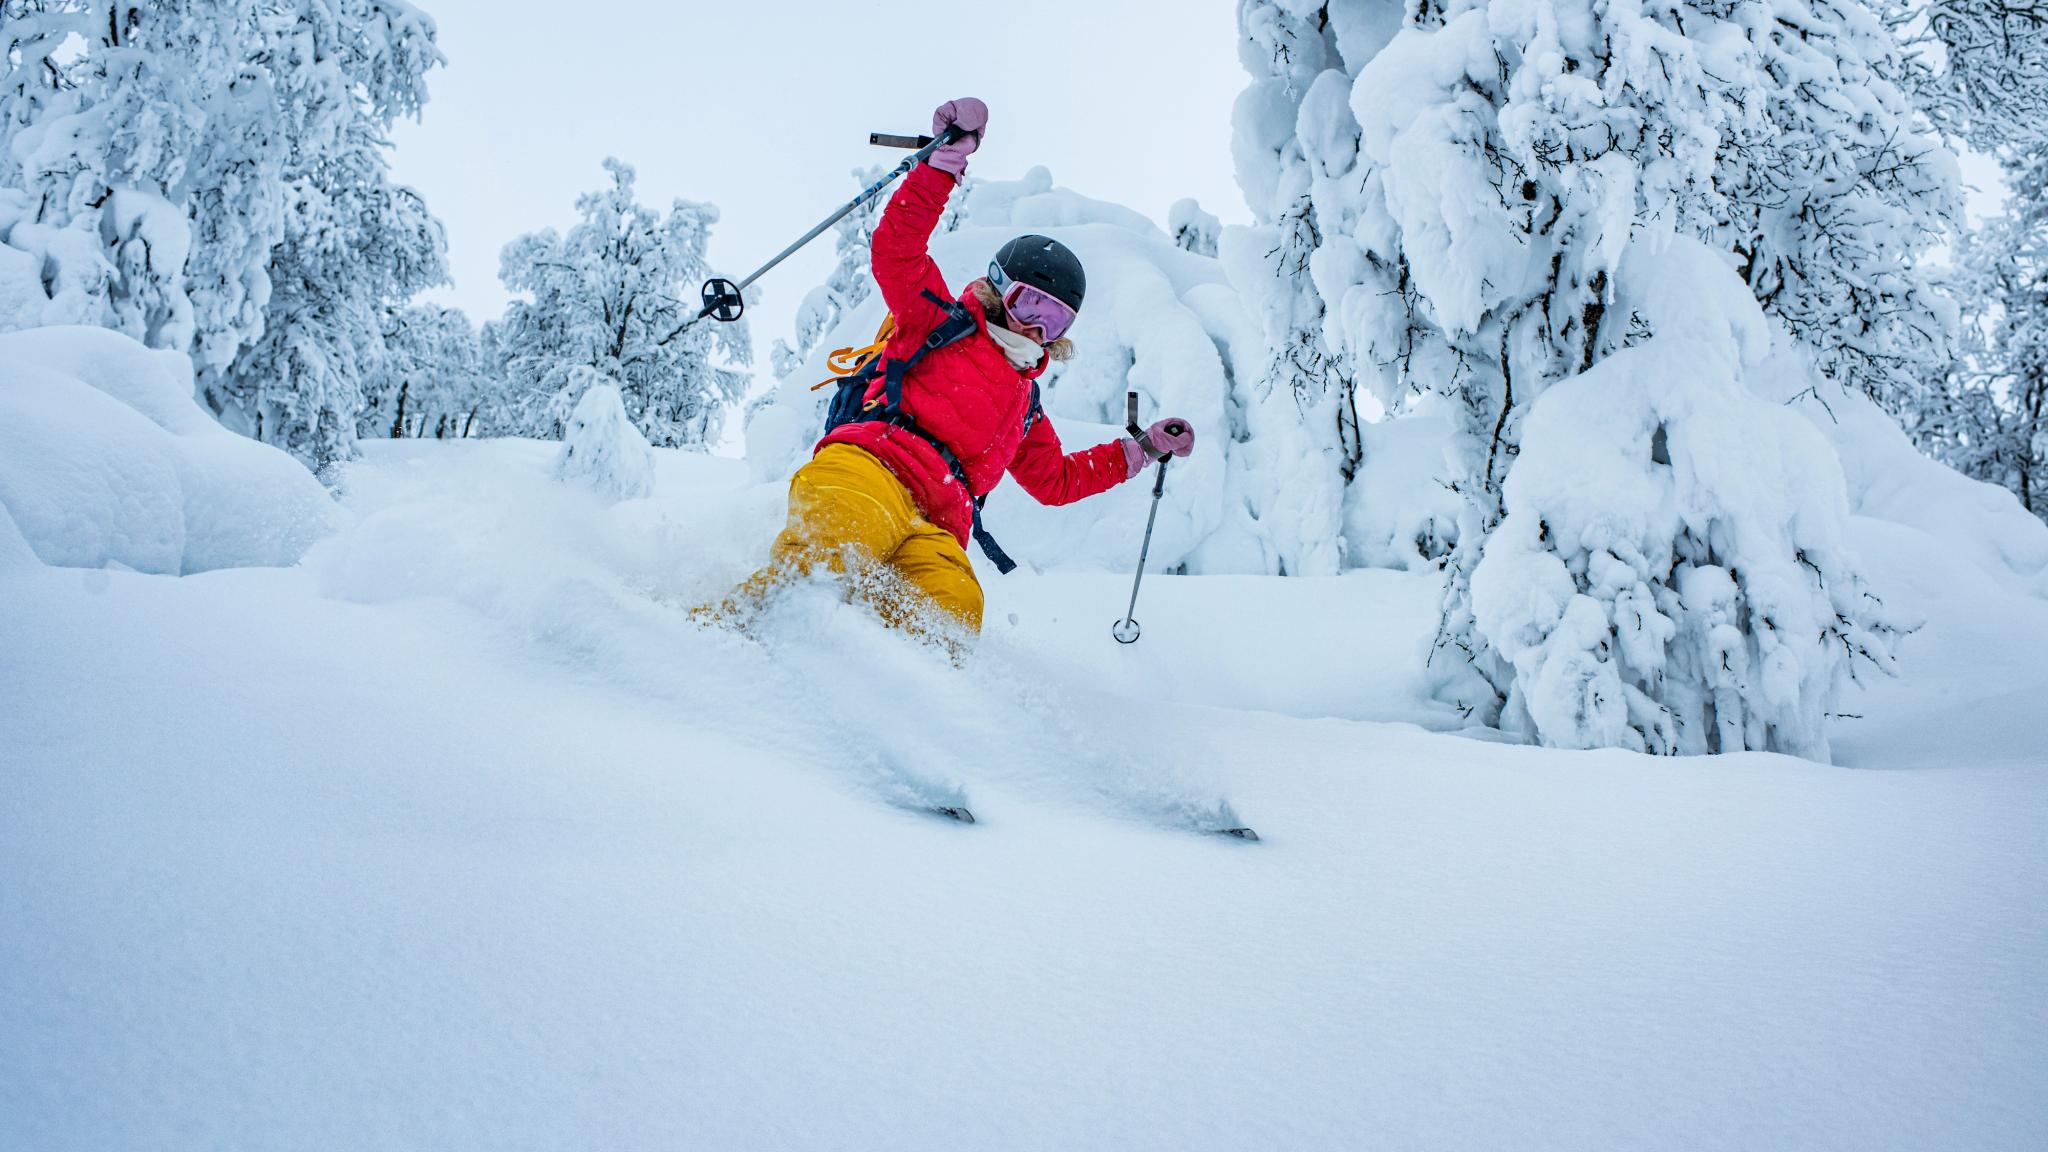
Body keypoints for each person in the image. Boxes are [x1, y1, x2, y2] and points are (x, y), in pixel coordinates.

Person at [704, 97, 1195, 645]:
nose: (1037, 328)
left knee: (951, 620)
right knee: (831, 553)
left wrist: (1144, 449)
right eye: (1031, 304)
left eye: (1055, 320)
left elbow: (1058, 482)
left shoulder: (1023, 406)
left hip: (936, 528)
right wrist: (943, 166)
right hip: (869, 469)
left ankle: (888, 714)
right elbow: (898, 252)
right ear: (999, 287)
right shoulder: (939, 321)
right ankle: (719, 653)